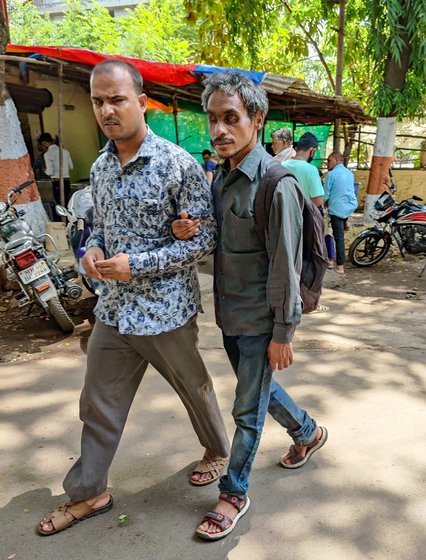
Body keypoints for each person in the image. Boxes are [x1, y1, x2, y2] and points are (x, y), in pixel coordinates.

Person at [37, 60, 230, 537]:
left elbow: (201, 242)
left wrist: (136, 266)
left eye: (117, 99)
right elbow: (99, 226)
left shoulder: (178, 164)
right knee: (97, 402)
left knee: (195, 390)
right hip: (114, 309)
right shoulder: (100, 167)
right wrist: (94, 250)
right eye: (98, 101)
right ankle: (89, 493)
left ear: (142, 102)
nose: (106, 110)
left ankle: (218, 451)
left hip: (166, 311)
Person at [172, 73, 327, 541]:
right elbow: (218, 242)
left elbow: (285, 265)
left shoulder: (275, 185)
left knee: (246, 409)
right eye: (214, 119)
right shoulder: (220, 179)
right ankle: (307, 432)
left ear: (257, 120)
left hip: (263, 317)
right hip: (230, 313)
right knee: (255, 390)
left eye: (231, 118)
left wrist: (284, 331)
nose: (219, 129)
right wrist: (188, 231)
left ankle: (234, 491)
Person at [324, 151, 358, 275]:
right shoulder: (349, 174)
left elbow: (326, 194)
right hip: (349, 206)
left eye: (329, 160)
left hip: (336, 208)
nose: (328, 163)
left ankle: (339, 265)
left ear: (337, 159)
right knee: (337, 235)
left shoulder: (331, 174)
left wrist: (323, 203)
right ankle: (346, 220)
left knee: (336, 236)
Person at [281, 132, 324, 211]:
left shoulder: (281, 165)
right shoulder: (311, 170)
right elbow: (318, 201)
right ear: (312, 150)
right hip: (303, 219)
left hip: (284, 215)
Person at [38, 132, 74, 209]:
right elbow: (71, 167)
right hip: (67, 181)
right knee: (68, 204)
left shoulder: (47, 154)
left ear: (44, 143)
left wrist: (45, 171)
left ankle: (63, 220)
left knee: (60, 206)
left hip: (57, 182)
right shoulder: (65, 151)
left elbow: (50, 172)